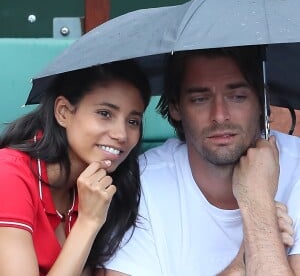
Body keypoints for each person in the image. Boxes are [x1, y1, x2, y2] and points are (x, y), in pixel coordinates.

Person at [96, 47, 300, 275]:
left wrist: (257, 201)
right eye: (200, 99)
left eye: (237, 97)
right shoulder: (142, 180)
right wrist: (256, 229)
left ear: (262, 100)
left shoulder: (298, 168)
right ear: (175, 107)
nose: (220, 115)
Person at [0, 59, 151, 275]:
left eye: (133, 121)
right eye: (105, 113)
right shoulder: (8, 175)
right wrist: (88, 222)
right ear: (63, 112)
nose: (121, 134)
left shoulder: (98, 188)